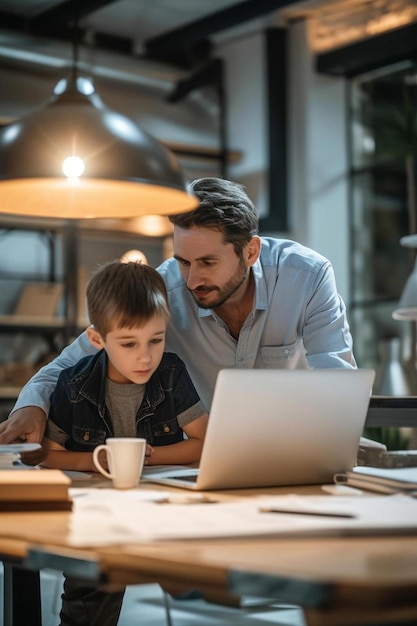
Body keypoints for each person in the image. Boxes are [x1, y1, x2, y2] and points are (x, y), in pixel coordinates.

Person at [0, 176, 356, 446]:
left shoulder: (307, 277)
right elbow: (69, 363)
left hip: (292, 449)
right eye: (183, 260)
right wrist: (29, 407)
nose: (191, 280)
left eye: (207, 262)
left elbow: (337, 381)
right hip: (195, 464)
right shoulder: (162, 290)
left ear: (250, 252)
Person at [42, 259, 208, 626]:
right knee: (90, 594)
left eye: (156, 340)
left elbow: (204, 443)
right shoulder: (73, 384)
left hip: (160, 504)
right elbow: (46, 456)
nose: (145, 356)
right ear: (98, 338)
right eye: (129, 343)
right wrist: (101, 461)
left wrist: (148, 457)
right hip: (96, 511)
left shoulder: (170, 374)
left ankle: (179, 578)